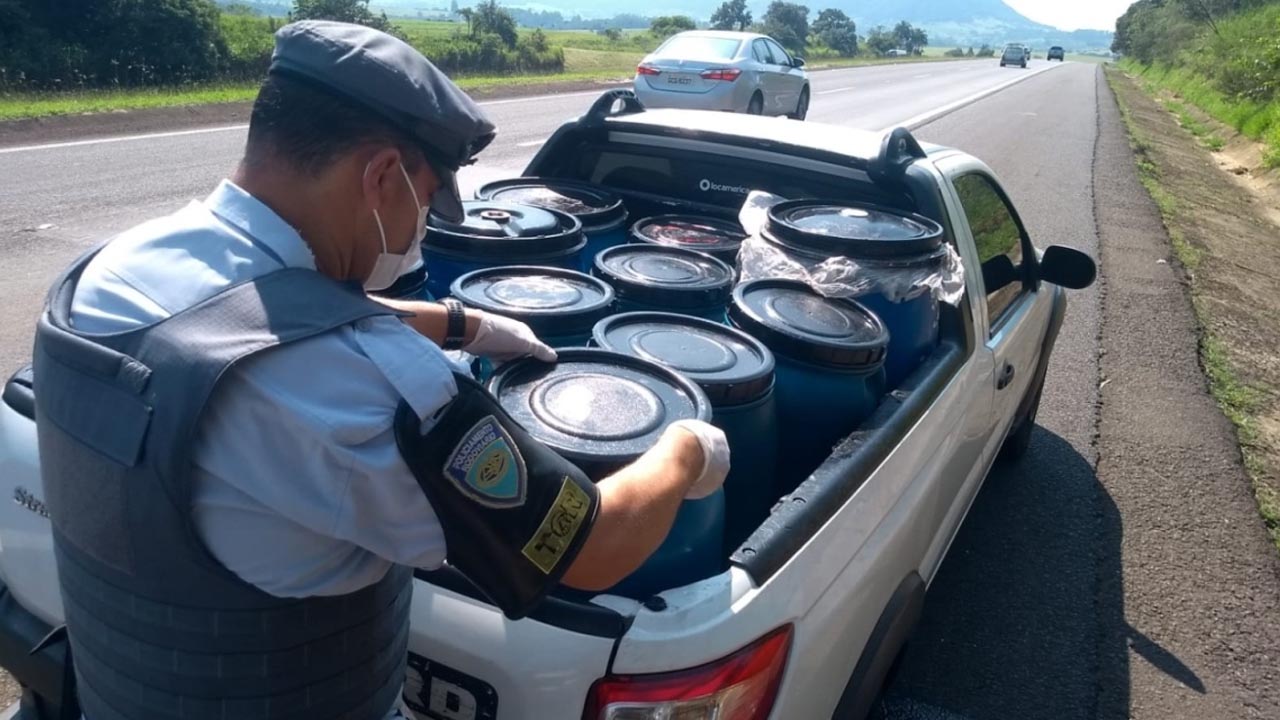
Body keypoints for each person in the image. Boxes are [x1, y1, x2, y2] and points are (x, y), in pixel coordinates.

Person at [31, 20, 729, 720]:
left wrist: (461, 323)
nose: (422, 226)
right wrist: (685, 449)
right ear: (381, 177)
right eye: (426, 201)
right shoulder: (368, 395)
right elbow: (591, 548)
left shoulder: (112, 268)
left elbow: (248, 315)